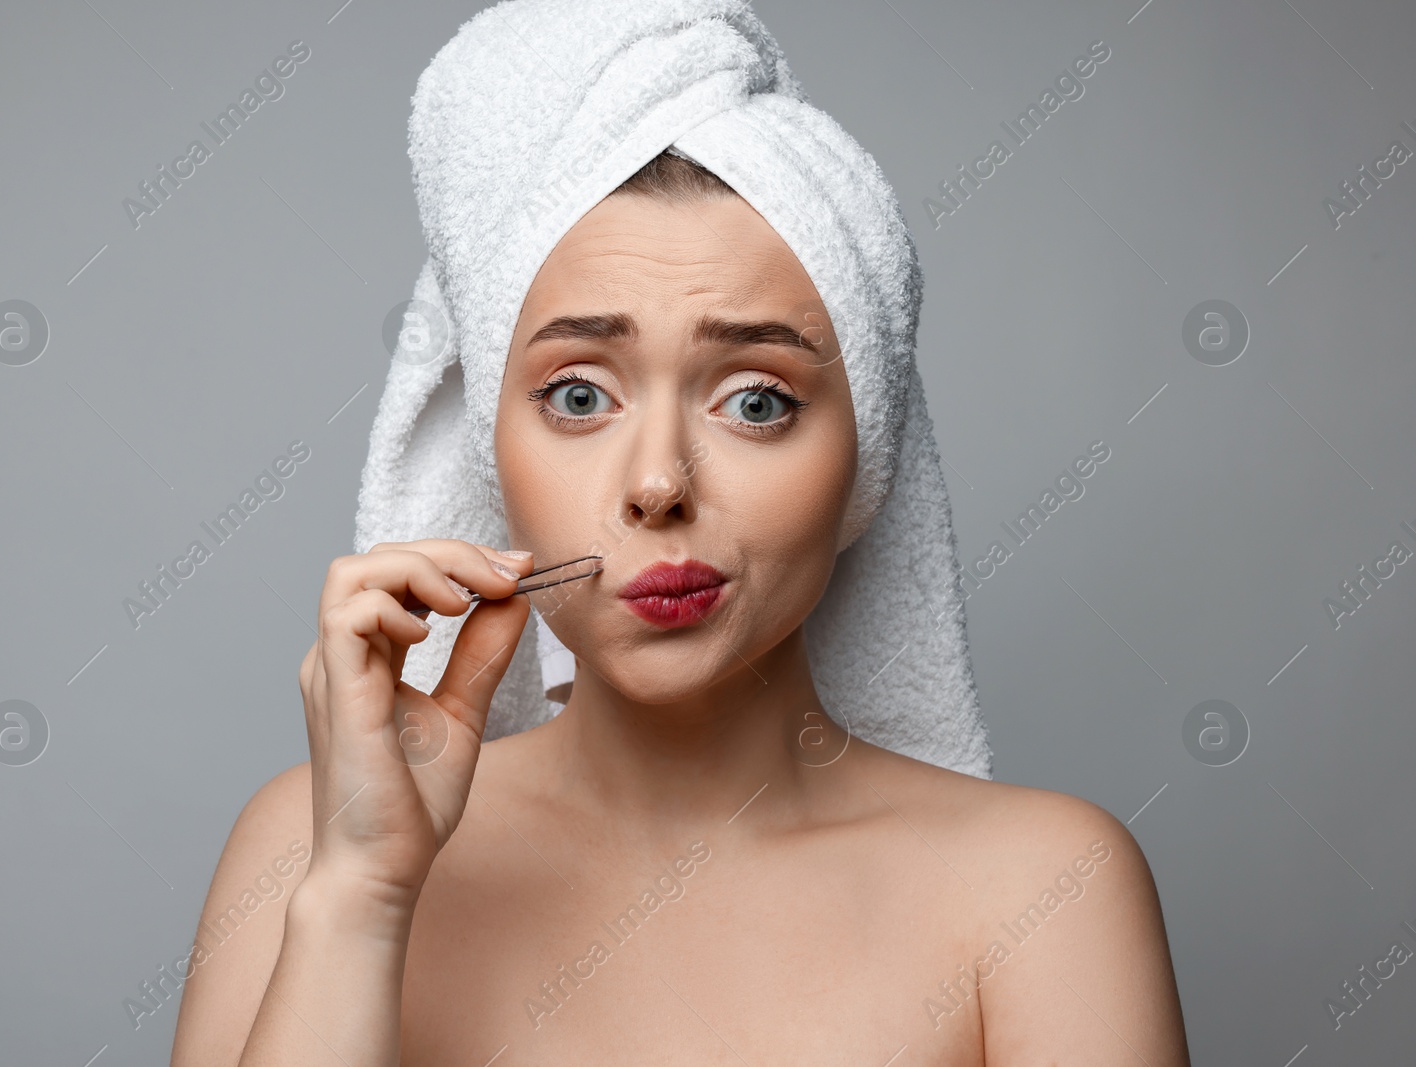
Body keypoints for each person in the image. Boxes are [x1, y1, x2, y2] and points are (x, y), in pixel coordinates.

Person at [168, 147, 1190, 1066]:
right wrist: (362, 896)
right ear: (491, 443)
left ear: (865, 457)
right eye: (578, 395)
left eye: (756, 399)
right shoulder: (304, 851)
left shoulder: (1040, 890)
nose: (658, 483)